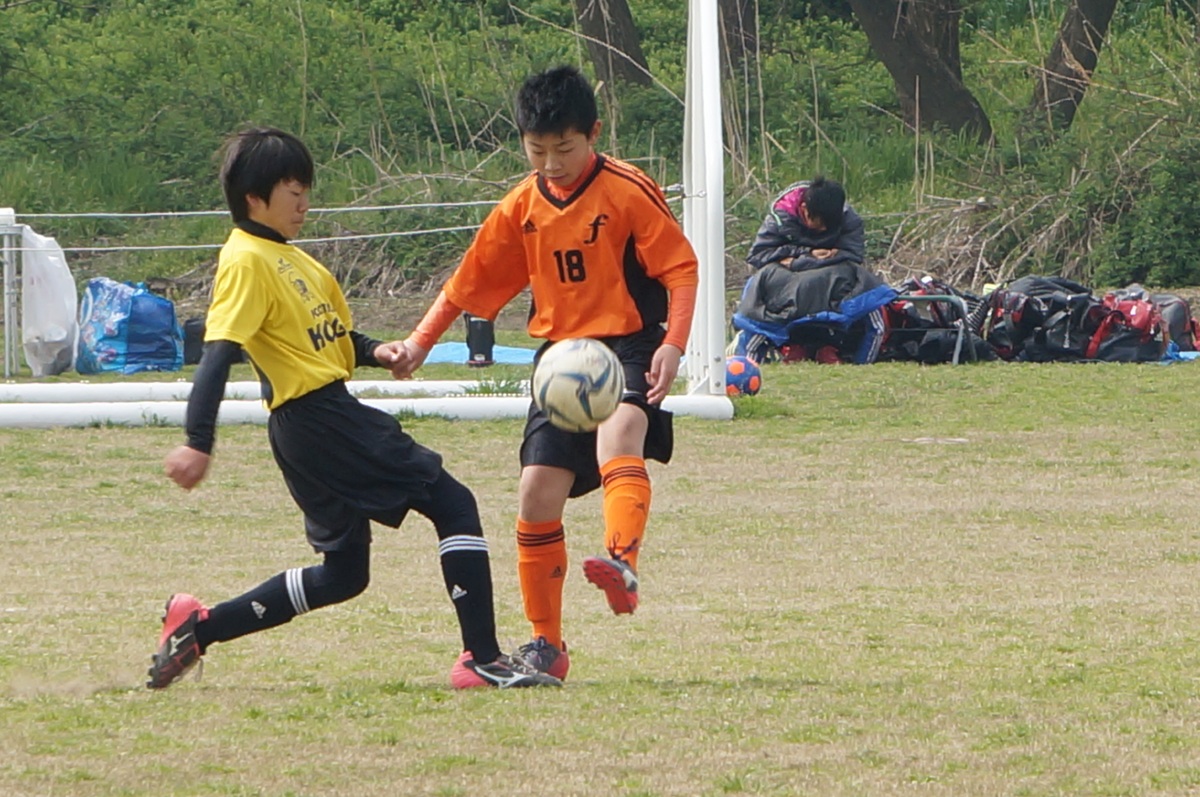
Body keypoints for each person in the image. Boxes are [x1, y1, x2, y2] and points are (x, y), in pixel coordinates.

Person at [148, 127, 560, 691]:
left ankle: (200, 627)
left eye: (306, 190)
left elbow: (333, 338)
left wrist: (375, 351)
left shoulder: (298, 262)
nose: (304, 203)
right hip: (320, 418)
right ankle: (483, 658)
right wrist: (198, 441)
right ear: (254, 198)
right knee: (453, 502)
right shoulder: (245, 259)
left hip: (313, 423)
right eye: (293, 191)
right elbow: (219, 352)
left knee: (343, 576)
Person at [389, 66, 699, 682]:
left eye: (565, 148)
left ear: (593, 134)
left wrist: (674, 344)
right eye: (537, 151)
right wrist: (419, 343)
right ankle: (546, 646)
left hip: (630, 342)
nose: (552, 164)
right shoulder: (521, 205)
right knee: (536, 491)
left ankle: (622, 562)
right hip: (560, 358)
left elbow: (681, 269)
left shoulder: (628, 190)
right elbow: (468, 283)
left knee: (620, 433)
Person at [745, 176, 864, 272]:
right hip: (790, 275)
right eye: (819, 223)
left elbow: (854, 255)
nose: (824, 228)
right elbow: (758, 255)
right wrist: (806, 253)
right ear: (804, 209)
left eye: (831, 222)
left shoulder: (848, 217)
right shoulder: (779, 221)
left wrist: (803, 262)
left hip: (833, 271)